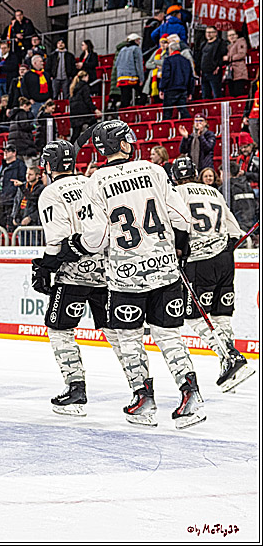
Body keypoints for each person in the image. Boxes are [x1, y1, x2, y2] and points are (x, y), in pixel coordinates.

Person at [60, 120, 204, 429]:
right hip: (165, 271)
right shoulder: (153, 169)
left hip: (125, 277)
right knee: (169, 336)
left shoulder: (95, 181)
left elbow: (95, 240)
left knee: (129, 339)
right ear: (121, 144)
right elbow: (182, 218)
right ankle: (190, 396)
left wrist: (74, 245)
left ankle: (143, 399)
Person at [31, 141, 124, 416]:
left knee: (60, 329)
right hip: (106, 270)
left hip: (72, 274)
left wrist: (44, 268)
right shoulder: (91, 182)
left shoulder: (51, 192)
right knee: (117, 331)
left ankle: (76, 389)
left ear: (48, 165)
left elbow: (57, 241)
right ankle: (141, 390)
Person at [172, 156, 255, 391]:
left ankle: (230, 357)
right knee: (221, 315)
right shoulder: (214, 192)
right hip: (225, 259)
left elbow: (178, 225)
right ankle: (230, 367)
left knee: (195, 316)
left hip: (200, 261)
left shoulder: (178, 192)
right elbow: (234, 230)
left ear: (175, 177)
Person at [0, 143, 26, 227]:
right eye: (4, 151)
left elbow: (23, 182)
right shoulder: (3, 166)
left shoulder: (20, 166)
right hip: (1, 200)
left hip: (11, 201)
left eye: (8, 151)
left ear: (14, 153)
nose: (5, 153)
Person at [160, 41, 192, 119]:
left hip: (170, 89)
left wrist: (161, 88)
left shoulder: (168, 60)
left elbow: (166, 76)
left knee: (167, 114)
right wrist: (190, 91)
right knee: (183, 111)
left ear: (170, 49)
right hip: (183, 89)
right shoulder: (186, 61)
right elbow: (191, 77)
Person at [198, 27, 227, 101]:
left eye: (210, 32)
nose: (208, 34)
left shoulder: (220, 43)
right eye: (207, 32)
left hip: (214, 72)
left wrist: (218, 66)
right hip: (204, 72)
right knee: (205, 95)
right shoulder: (203, 44)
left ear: (215, 33)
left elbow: (223, 57)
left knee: (216, 94)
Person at [223, 30, 249, 97]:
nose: (231, 37)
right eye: (229, 35)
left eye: (233, 35)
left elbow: (242, 54)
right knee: (232, 94)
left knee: (238, 93)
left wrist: (228, 58)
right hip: (231, 74)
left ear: (237, 35)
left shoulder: (241, 42)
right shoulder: (229, 46)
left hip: (239, 71)